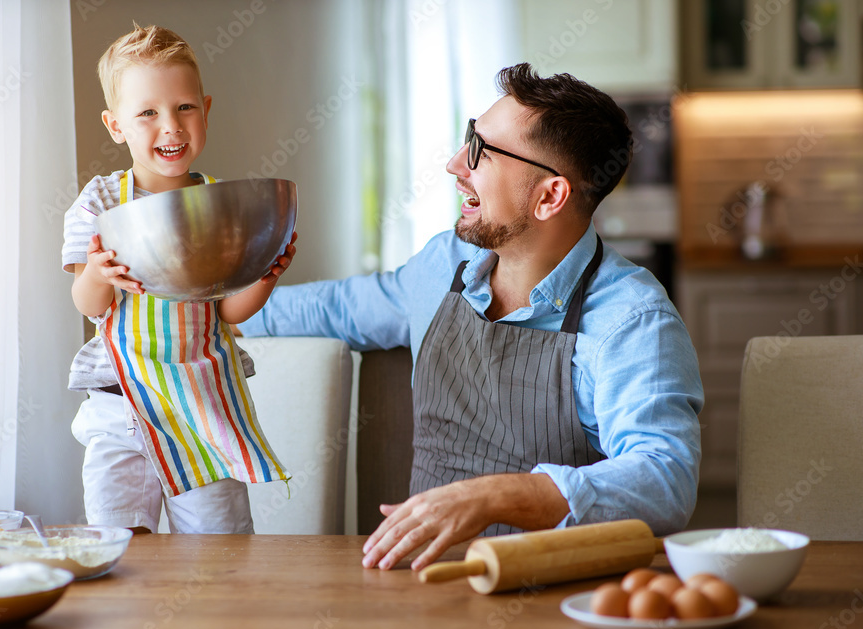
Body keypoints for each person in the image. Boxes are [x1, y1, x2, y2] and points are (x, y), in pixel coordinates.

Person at [241, 64, 703, 570]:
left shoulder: (631, 318)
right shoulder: (444, 265)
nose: (456, 164)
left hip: (559, 595)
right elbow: (334, 309)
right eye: (469, 138)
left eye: (482, 151)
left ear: (550, 196)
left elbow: (664, 479)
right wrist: (191, 309)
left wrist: (489, 498)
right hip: (425, 580)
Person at [61, 24, 296, 536]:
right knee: (121, 546)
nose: (171, 126)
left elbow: (226, 313)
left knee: (219, 551)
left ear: (206, 110)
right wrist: (100, 273)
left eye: (185, 107)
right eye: (147, 112)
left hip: (202, 407)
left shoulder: (222, 206)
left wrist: (263, 277)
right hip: (120, 409)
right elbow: (87, 303)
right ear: (115, 124)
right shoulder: (100, 203)